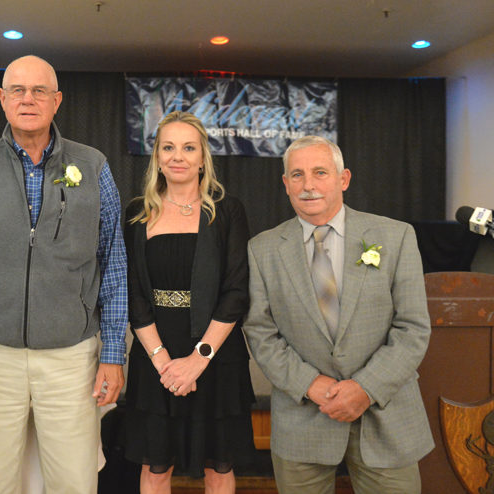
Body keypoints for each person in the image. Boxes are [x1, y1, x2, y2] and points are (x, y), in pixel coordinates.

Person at [0, 54, 128, 494]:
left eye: (39, 91)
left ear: (57, 101)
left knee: (74, 482)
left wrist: (114, 351)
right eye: (17, 89)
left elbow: (112, 263)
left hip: (72, 357)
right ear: (2, 99)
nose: (28, 99)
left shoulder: (93, 168)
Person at [243, 135, 434, 494]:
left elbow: (413, 328)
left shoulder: (395, 237)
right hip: (303, 418)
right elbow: (260, 332)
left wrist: (365, 388)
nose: (308, 185)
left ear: (343, 179)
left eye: (320, 172)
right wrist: (310, 385)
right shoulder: (262, 249)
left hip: (385, 414)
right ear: (285, 184)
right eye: (297, 175)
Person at [122, 111, 256, 494]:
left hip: (216, 356)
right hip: (155, 359)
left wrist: (198, 359)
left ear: (202, 157)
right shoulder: (137, 212)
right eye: (168, 147)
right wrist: (164, 362)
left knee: (218, 467)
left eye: (188, 147)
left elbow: (236, 291)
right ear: (157, 157)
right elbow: (133, 294)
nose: (177, 156)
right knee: (155, 468)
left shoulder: (227, 210)